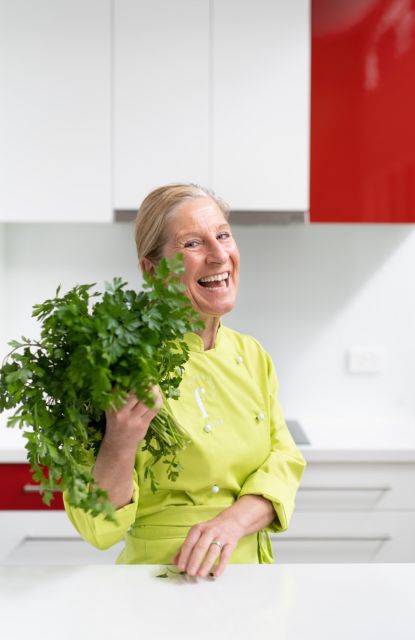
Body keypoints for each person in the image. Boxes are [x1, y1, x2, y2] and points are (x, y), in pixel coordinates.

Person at [63, 183, 306, 577]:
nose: (218, 255)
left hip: (253, 578)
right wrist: (120, 442)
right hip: (162, 581)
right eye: (193, 243)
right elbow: (97, 528)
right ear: (153, 270)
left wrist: (233, 523)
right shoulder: (118, 364)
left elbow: (284, 461)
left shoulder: (252, 355)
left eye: (223, 235)